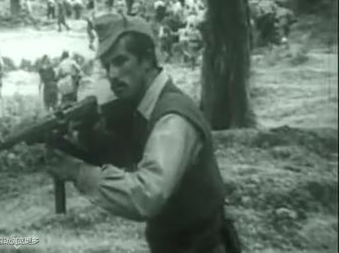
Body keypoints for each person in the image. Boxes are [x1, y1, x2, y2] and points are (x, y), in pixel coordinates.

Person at [44, 14, 237, 253]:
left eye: (121, 61)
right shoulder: (145, 107)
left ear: (147, 59)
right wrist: (84, 137)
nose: (113, 74)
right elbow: (127, 155)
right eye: (107, 66)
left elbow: (147, 195)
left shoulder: (172, 118)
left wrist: (77, 172)